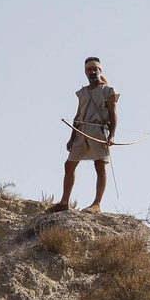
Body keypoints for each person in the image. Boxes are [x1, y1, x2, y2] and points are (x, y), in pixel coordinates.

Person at [51, 56, 119, 213]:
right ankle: (64, 202)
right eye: (89, 69)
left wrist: (112, 135)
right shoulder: (82, 92)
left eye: (95, 69)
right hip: (82, 131)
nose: (92, 72)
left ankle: (96, 204)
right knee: (69, 164)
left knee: (99, 165)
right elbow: (78, 115)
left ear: (100, 70)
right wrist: (71, 137)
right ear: (85, 72)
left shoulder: (108, 90)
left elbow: (113, 114)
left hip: (98, 131)